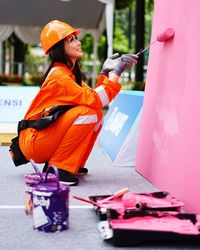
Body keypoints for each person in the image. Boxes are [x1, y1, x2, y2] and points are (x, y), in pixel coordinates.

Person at [18, 20, 138, 186]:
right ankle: (59, 168)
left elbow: (93, 99)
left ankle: (71, 164)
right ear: (58, 47)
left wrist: (105, 73)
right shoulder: (60, 76)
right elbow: (96, 100)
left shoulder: (67, 73)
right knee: (87, 114)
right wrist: (116, 73)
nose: (79, 42)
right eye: (71, 40)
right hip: (34, 141)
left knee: (95, 115)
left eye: (76, 38)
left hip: (38, 137)